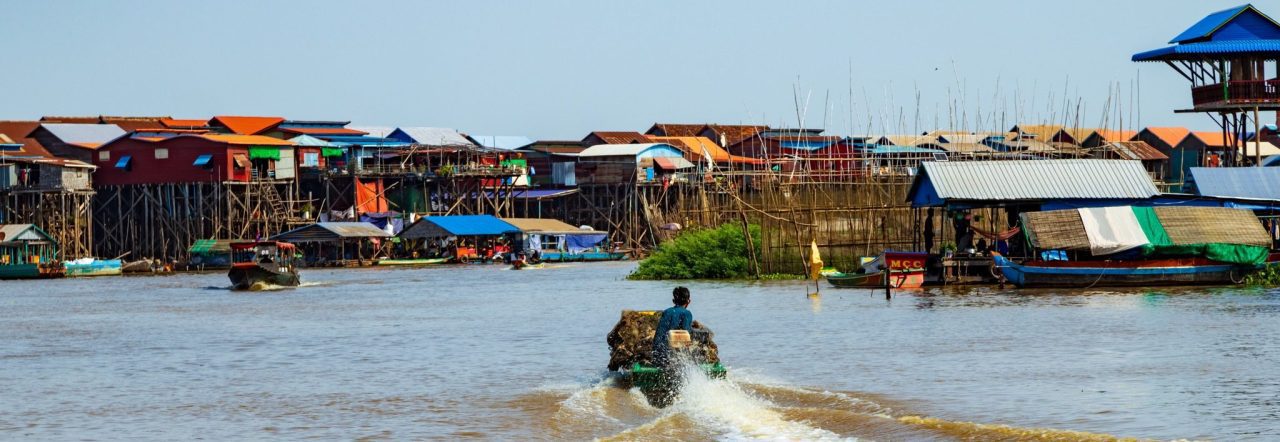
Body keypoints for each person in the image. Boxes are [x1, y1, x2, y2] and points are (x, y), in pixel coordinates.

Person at [652, 286, 693, 366]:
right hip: (671, 357)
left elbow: (659, 335)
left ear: (673, 301)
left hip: (657, 355)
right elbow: (685, 335)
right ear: (688, 301)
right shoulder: (686, 313)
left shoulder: (667, 312)